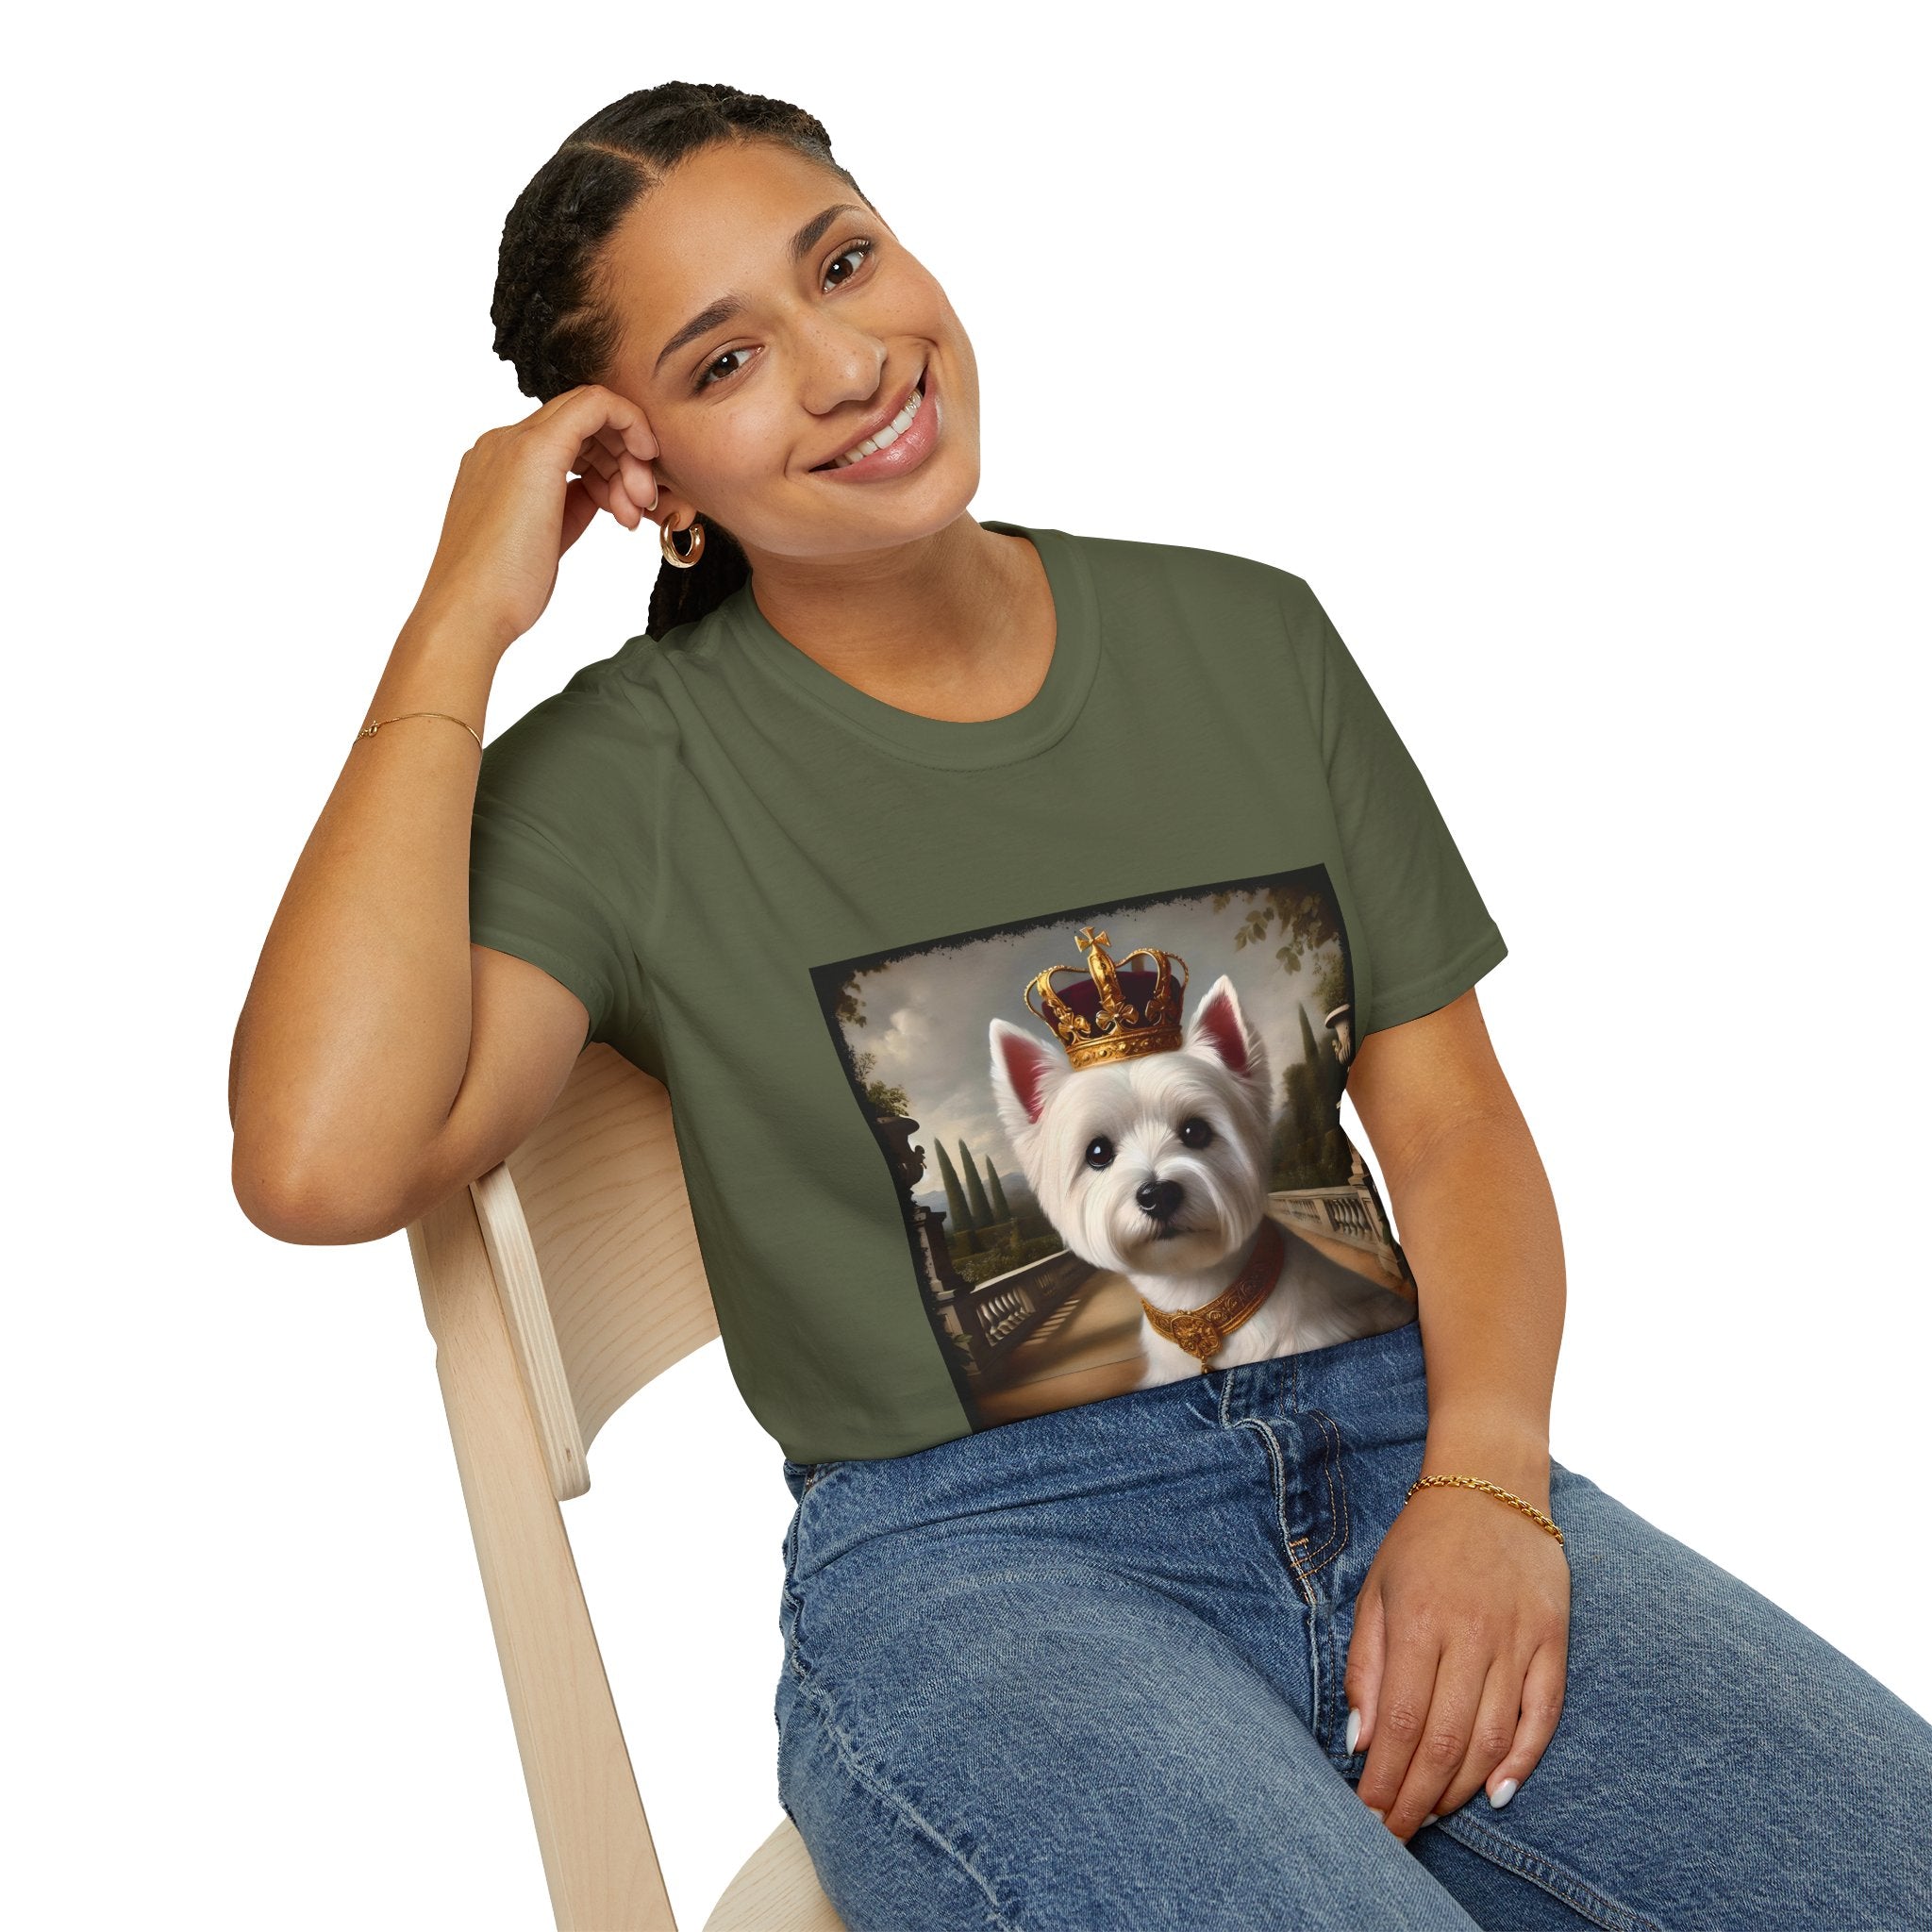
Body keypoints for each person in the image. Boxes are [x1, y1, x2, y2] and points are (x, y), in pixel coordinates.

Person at [228, 80, 1932, 1932]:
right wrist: (458, 619)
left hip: (1409, 1449)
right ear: (651, 483)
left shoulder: (1248, 640)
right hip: (987, 1570)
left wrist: (1490, 1486)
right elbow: (320, 1161)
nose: (846, 365)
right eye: (725, 361)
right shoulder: (628, 779)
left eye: (843, 264)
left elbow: (1452, 1131)